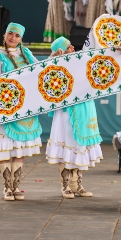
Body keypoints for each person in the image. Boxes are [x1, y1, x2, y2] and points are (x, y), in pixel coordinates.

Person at [0, 23, 42, 201]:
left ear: (21, 39)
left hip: (24, 108)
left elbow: (40, 69)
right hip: (6, 108)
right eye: (10, 34)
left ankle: (16, 187)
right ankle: (7, 188)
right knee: (5, 148)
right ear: (4, 35)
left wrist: (56, 56)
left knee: (19, 150)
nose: (12, 38)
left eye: (17, 35)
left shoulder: (27, 54)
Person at [45, 37, 102, 199]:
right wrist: (55, 59)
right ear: (61, 51)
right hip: (66, 113)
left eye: (72, 46)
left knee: (79, 146)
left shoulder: (81, 61)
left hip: (84, 109)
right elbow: (45, 76)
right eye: (69, 47)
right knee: (67, 145)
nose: (73, 48)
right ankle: (65, 185)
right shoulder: (54, 66)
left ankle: (76, 185)